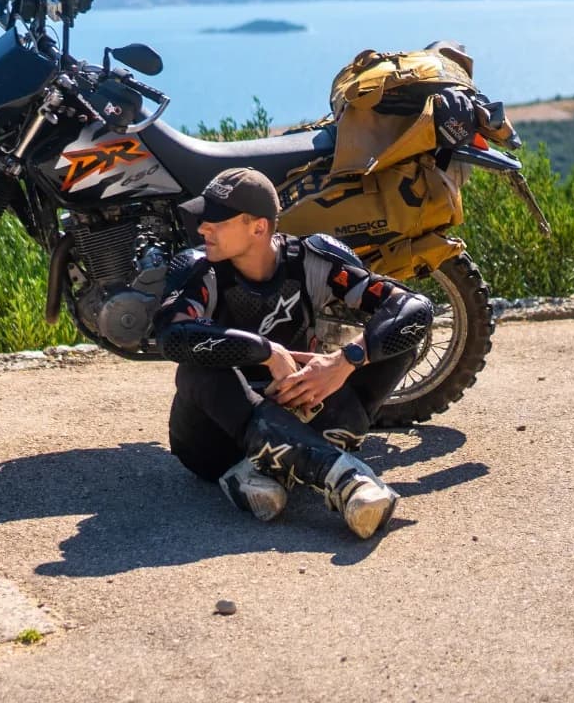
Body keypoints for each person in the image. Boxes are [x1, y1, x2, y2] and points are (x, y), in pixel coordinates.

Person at [152, 166, 437, 539]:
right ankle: (345, 478)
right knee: (195, 368)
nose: (203, 228)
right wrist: (267, 351)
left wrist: (346, 359)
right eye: (202, 219)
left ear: (258, 227)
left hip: (306, 410)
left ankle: (271, 469)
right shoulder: (196, 269)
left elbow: (415, 309)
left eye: (216, 221)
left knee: (393, 342)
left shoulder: (312, 259)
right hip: (215, 440)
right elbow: (172, 336)